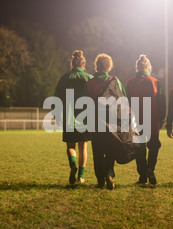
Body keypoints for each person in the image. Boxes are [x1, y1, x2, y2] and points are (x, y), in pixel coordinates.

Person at [86, 53, 127, 190]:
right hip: (111, 122)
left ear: (97, 66)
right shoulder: (114, 80)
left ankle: (100, 180)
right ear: (109, 66)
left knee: (97, 152)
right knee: (110, 150)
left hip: (95, 122)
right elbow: (123, 99)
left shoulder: (90, 82)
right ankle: (109, 174)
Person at [54, 50, 93, 185]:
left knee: (71, 146)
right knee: (83, 147)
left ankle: (73, 166)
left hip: (69, 117)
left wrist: (56, 114)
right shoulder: (89, 78)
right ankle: (81, 176)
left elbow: (56, 98)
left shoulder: (64, 79)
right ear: (83, 64)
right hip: (86, 119)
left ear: (72, 64)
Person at [126, 54, 166, 186]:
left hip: (136, 120)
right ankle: (150, 169)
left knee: (140, 148)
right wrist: (162, 118)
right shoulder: (155, 82)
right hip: (153, 119)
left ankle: (143, 176)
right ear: (148, 67)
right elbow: (162, 102)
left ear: (137, 68)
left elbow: (125, 103)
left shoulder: (131, 83)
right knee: (154, 146)